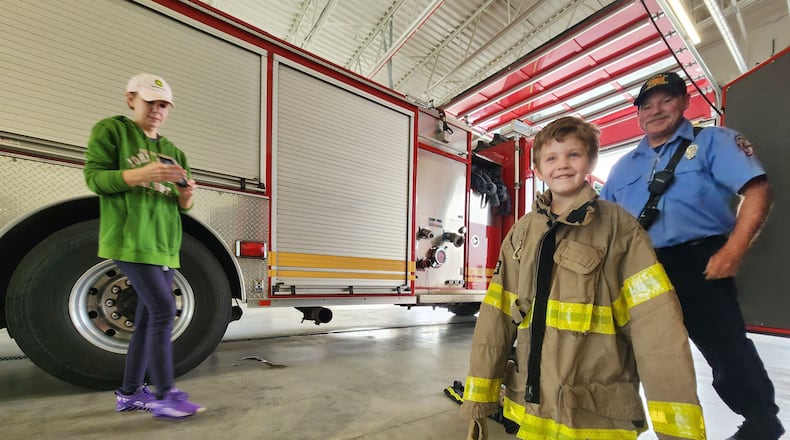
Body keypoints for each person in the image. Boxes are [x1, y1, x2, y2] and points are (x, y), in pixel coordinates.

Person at [460, 116, 706, 439]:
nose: (562, 165)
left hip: (596, 416)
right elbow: (495, 317)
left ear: (590, 160)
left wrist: (678, 430)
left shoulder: (620, 229)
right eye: (551, 157)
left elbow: (657, 327)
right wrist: (480, 397)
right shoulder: (522, 232)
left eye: (573, 155)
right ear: (537, 168)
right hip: (533, 412)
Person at [601, 71, 784, 440]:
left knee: (725, 347)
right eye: (647, 106)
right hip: (641, 268)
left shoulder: (714, 141)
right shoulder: (623, 167)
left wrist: (734, 248)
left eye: (666, 100)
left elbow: (757, 191)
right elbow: (603, 226)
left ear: (684, 102)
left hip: (700, 262)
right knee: (630, 352)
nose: (656, 110)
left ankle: (761, 421)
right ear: (638, 115)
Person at [84, 73, 204, 419]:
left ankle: (130, 393)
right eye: (150, 101)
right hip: (130, 242)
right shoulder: (112, 131)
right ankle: (167, 394)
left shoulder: (174, 151)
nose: (157, 109)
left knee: (149, 315)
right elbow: (95, 178)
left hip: (164, 247)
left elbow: (181, 206)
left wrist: (186, 195)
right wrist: (140, 174)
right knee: (165, 312)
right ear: (131, 99)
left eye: (163, 104)